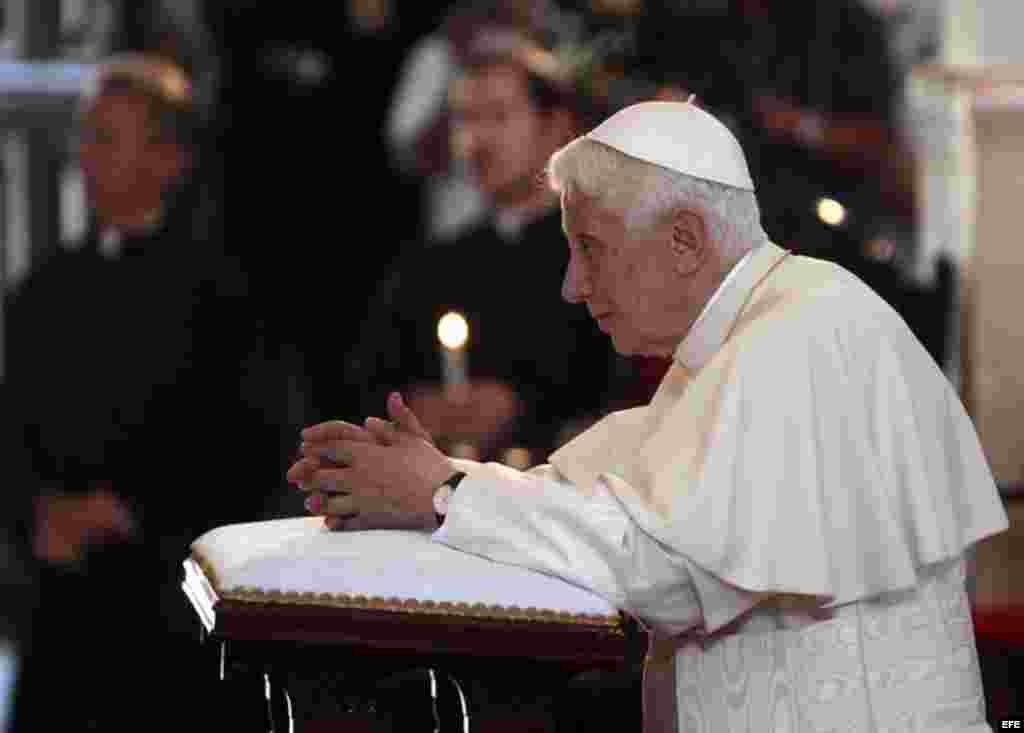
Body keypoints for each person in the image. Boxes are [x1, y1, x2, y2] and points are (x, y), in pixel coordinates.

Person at [289, 100, 1008, 732]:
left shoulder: (802, 333)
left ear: (686, 238)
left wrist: (445, 493)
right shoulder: (734, 344)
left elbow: (668, 563)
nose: (572, 286)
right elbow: (605, 504)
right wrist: (434, 480)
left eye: (590, 249)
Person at [2, 55, 286, 731]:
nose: (88, 155)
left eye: (109, 136)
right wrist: (36, 511)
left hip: (168, 613)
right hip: (60, 608)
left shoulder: (223, 295)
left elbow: (246, 441)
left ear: (169, 158)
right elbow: (9, 424)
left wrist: (132, 510)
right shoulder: (42, 291)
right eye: (87, 136)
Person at [342, 15, 630, 466]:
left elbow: (618, 394)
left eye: (498, 116)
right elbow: (368, 381)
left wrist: (521, 411)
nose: (476, 140)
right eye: (465, 120)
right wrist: (417, 408)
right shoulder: (435, 262)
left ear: (556, 126)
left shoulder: (604, 253)